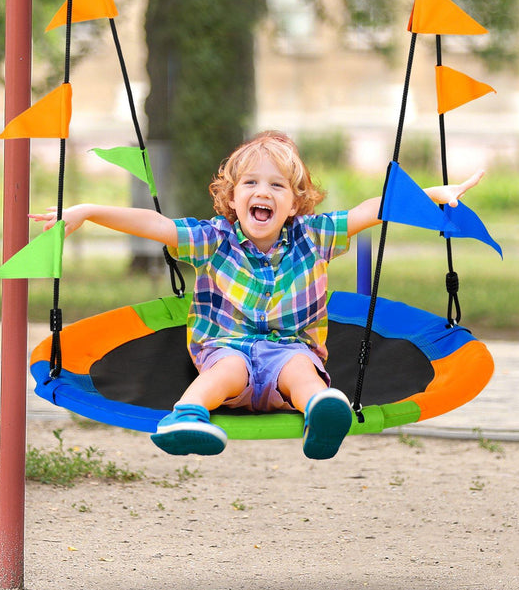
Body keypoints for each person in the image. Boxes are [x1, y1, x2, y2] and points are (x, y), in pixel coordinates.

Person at [30, 131, 483, 459]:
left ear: (295, 203)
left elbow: (372, 210)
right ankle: (186, 416)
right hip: (226, 349)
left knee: (301, 371)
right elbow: (157, 226)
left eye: (276, 185)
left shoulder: (315, 235)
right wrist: (89, 211)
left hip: (290, 351)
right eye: (250, 183)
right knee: (227, 368)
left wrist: (430, 196)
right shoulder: (213, 239)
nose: (262, 192)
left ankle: (323, 412)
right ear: (232, 199)